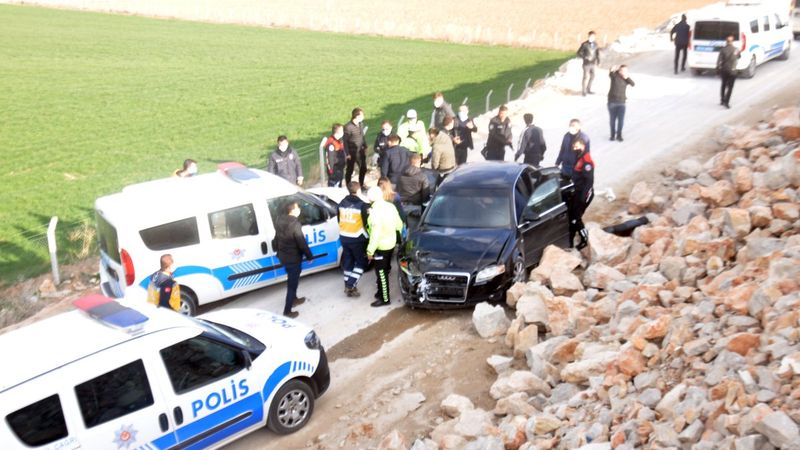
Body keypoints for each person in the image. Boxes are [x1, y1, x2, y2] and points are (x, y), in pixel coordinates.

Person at [366, 186, 404, 307]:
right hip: (391, 243)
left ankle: (384, 299)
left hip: (381, 247)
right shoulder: (390, 206)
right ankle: (380, 293)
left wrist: (370, 251)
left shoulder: (374, 213)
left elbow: (375, 234)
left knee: (381, 273)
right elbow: (399, 224)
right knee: (384, 270)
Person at [274, 201, 312, 318]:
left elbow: (276, 238)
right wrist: (309, 256)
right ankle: (287, 311)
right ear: (292, 210)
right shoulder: (295, 224)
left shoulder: (279, 220)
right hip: (293, 258)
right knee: (292, 283)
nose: (299, 209)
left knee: (293, 280)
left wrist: (278, 251)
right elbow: (301, 242)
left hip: (284, 256)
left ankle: (294, 299)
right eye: (297, 207)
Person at [338, 182, 370, 297]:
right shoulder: (362, 205)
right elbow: (367, 224)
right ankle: (350, 285)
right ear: (359, 191)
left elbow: (339, 220)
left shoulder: (341, 203)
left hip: (344, 237)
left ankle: (348, 286)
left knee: (348, 262)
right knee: (361, 263)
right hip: (357, 239)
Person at [567, 138, 594, 250]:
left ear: (582, 145)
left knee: (576, 217)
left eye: (576, 146)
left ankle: (584, 239)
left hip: (584, 193)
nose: (575, 149)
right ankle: (570, 240)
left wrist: (583, 197)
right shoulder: (580, 157)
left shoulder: (587, 160)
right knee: (572, 217)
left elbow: (589, 181)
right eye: (574, 147)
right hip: (577, 192)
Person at [608, 65, 635, 142]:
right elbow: (610, 73)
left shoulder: (626, 79)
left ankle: (619, 135)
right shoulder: (614, 76)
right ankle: (612, 135)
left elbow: (633, 84)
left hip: (622, 102)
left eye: (625, 71)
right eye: (622, 70)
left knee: (621, 120)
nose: (623, 72)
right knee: (612, 120)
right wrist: (611, 69)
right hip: (612, 102)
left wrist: (627, 77)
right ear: (619, 70)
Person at [344, 107, 368, 186]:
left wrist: (365, 144)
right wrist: (347, 153)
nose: (363, 117)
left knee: (363, 168)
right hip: (352, 152)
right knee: (350, 170)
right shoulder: (348, 127)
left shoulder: (361, 124)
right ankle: (348, 185)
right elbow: (345, 141)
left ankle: (361, 184)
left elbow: (362, 135)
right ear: (357, 116)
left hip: (360, 151)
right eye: (362, 115)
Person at [717, 35, 740, 109]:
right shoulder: (736, 49)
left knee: (723, 84)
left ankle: (722, 100)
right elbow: (739, 57)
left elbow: (718, 61)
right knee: (730, 87)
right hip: (732, 70)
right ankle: (727, 102)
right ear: (732, 42)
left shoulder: (723, 50)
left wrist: (718, 69)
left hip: (724, 70)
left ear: (726, 42)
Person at [577, 31, 600, 96]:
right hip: (586, 64)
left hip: (593, 63)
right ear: (588, 36)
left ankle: (588, 89)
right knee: (585, 77)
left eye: (593, 36)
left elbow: (597, 54)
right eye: (591, 36)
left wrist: (598, 61)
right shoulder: (584, 44)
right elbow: (578, 53)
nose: (592, 37)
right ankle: (583, 91)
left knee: (592, 76)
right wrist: (585, 57)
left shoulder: (596, 44)